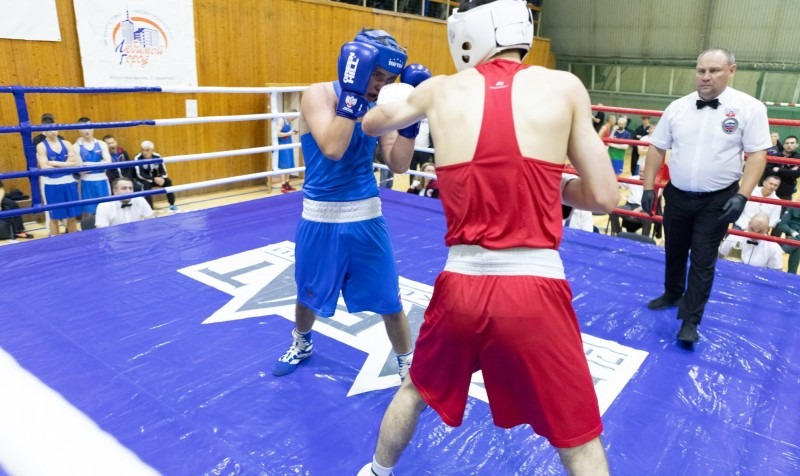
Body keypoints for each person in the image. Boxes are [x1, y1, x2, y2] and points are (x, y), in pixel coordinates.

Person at [359, 1, 619, 474]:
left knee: (414, 390)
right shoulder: (564, 86)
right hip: (535, 292)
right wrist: (554, 184)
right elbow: (604, 196)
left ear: (467, 35)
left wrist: (407, 100)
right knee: (579, 439)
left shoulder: (438, 90)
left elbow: (373, 123)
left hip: (462, 285)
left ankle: (375, 472)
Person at [271, 28, 428, 380]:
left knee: (390, 299)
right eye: (375, 74)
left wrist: (408, 124)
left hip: (366, 217)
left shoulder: (380, 106)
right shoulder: (318, 94)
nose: (379, 85)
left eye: (388, 78)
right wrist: (353, 98)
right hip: (319, 217)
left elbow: (399, 164)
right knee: (307, 294)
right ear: (355, 64)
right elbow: (332, 147)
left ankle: (407, 364)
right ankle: (302, 342)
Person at [641, 47, 770, 345]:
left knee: (702, 259)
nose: (706, 77)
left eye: (714, 71)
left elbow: (758, 154)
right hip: (677, 195)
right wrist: (649, 186)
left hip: (718, 200)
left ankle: (690, 320)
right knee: (673, 248)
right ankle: (673, 291)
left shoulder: (749, 108)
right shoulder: (677, 107)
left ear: (732, 71)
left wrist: (743, 195)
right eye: (701, 71)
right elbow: (657, 147)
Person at [35, 115, 83, 236]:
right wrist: (65, 164)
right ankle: (55, 243)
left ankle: (73, 241)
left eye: (55, 127)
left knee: (72, 216)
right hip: (52, 185)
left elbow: (75, 164)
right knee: (54, 217)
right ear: (43, 131)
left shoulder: (66, 144)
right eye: (50, 128)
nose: (53, 131)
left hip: (69, 182)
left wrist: (54, 163)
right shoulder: (41, 146)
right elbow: (45, 167)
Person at [73, 117, 112, 215]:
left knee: (106, 210)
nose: (87, 130)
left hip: (102, 181)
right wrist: (100, 164)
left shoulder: (102, 144)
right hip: (86, 182)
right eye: (83, 128)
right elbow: (82, 169)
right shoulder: (76, 147)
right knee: (88, 212)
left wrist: (88, 164)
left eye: (89, 127)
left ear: (93, 127)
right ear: (78, 130)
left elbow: (108, 163)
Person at [718, 213, 783, 270]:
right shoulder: (733, 237)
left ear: (767, 230)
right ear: (748, 224)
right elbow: (720, 258)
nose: (754, 234)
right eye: (752, 229)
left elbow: (777, 273)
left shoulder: (774, 247)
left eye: (760, 231)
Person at [134, 140, 178, 211]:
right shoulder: (137, 158)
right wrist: (153, 179)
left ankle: (172, 204)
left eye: (147, 150)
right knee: (146, 185)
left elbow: (163, 170)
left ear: (152, 150)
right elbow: (139, 174)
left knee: (167, 181)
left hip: (156, 179)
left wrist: (161, 178)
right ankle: (150, 209)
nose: (144, 152)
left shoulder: (157, 156)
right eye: (142, 150)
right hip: (144, 179)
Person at [274, 115, 298, 192]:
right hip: (283, 146)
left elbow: (288, 133)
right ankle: (283, 185)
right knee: (284, 165)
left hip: (289, 145)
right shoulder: (281, 120)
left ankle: (287, 183)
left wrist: (292, 133)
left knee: (289, 165)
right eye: (293, 118)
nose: (293, 120)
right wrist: (288, 133)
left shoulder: (289, 122)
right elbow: (276, 133)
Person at [776, 207, 800, 274]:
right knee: (798, 245)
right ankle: (792, 275)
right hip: (792, 236)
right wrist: (792, 232)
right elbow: (782, 225)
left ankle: (782, 250)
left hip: (792, 239)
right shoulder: (793, 207)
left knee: (797, 243)